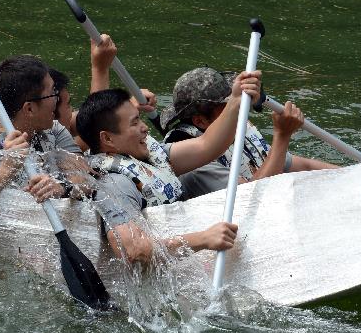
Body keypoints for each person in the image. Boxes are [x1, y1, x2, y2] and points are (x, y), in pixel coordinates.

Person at [75, 74, 260, 265]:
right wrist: (203, 239)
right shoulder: (115, 183)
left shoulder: (149, 156)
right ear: (107, 139)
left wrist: (236, 100)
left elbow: (208, 145)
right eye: (134, 123)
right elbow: (132, 250)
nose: (145, 128)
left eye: (140, 119)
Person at [0, 55, 92, 233]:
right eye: (53, 92)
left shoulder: (53, 131)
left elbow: (86, 178)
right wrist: (7, 168)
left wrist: (62, 187)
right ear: (29, 108)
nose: (57, 100)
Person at [162, 67, 338, 199]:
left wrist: (354, 174)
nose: (240, 110)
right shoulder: (192, 160)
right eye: (229, 107)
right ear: (200, 121)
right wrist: (282, 136)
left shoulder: (237, 125)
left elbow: (300, 166)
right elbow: (252, 201)